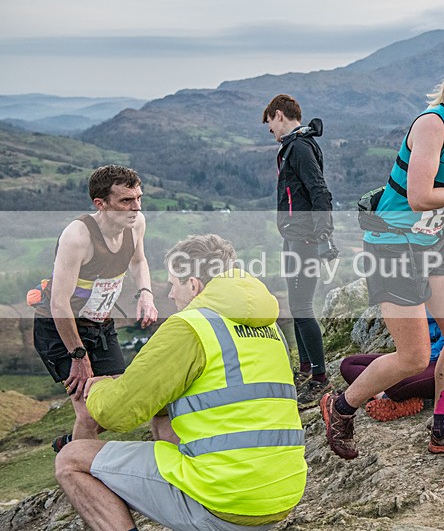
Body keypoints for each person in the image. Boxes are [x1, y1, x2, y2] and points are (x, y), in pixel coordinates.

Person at [321, 45, 444, 459]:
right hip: (391, 245)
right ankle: (341, 407)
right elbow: (420, 196)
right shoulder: (431, 125)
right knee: (413, 355)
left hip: (431, 242)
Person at [54, 234, 307, 531]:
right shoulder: (268, 326)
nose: (171, 295)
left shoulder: (191, 326)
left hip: (227, 503)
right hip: (280, 495)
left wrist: (97, 387)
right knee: (163, 414)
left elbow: (114, 412)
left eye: (174, 284)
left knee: (70, 460)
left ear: (194, 285)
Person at [32, 165, 158, 451]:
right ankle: (80, 473)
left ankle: (72, 444)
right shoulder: (77, 237)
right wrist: (78, 356)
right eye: (126, 201)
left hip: (100, 325)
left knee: (118, 406)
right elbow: (58, 303)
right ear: (100, 204)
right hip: (59, 329)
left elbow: (138, 261)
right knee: (89, 414)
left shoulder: (136, 223)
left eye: (139, 198)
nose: (136, 207)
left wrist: (146, 294)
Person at [263, 94, 338, 410]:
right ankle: (306, 369)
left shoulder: (301, 147)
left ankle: (320, 380)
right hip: (294, 236)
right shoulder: (294, 145)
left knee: (303, 305)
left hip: (305, 238)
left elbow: (319, 190)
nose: (272, 134)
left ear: (278, 115)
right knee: (296, 305)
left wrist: (322, 235)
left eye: (270, 127)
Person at [340, 318, 444, 422]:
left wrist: (415, 358)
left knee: (395, 382)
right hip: (415, 359)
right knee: (349, 364)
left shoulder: (442, 292)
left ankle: (392, 396)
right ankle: (383, 396)